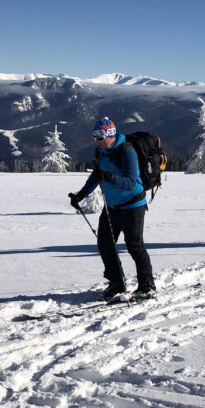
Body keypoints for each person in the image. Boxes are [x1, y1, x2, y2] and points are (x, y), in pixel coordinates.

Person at [69, 117, 156, 302]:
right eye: (95, 137)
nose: (96, 141)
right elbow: (96, 175)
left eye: (100, 137)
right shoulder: (101, 152)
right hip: (112, 208)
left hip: (133, 206)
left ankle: (147, 286)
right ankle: (117, 283)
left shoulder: (127, 151)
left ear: (110, 135)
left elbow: (131, 182)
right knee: (105, 245)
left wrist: (110, 177)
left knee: (135, 246)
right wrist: (80, 195)